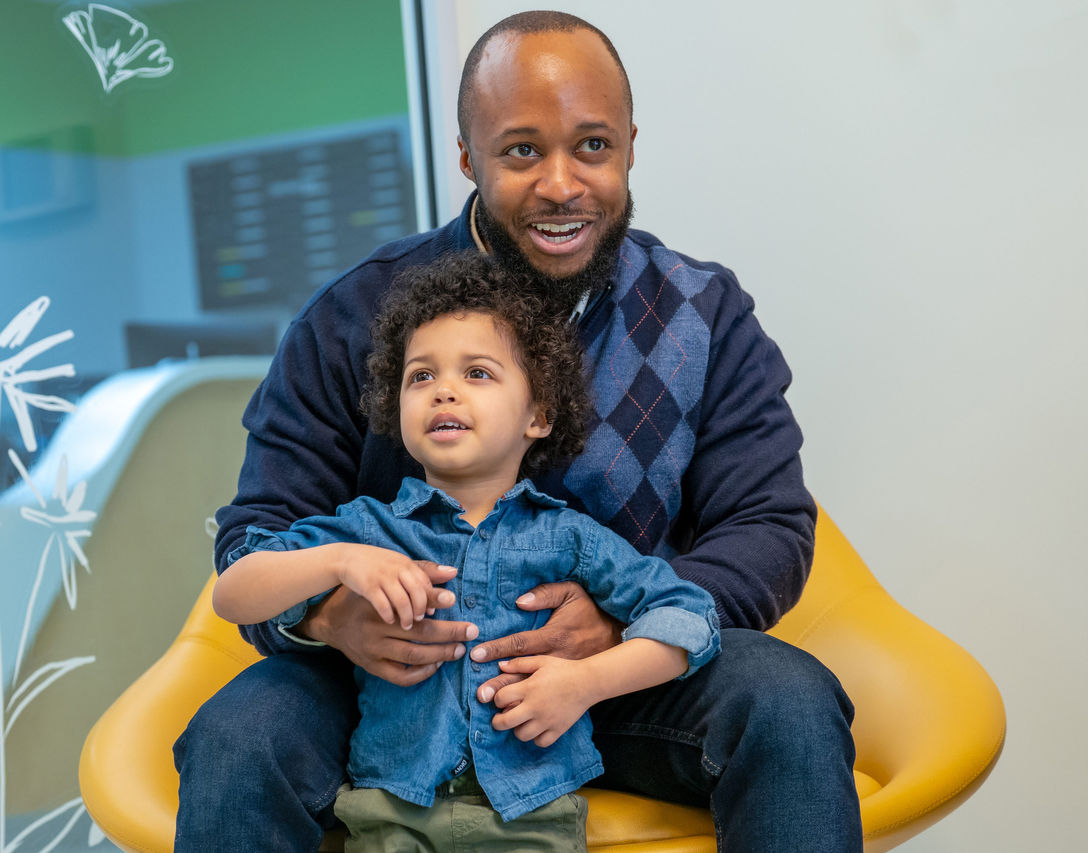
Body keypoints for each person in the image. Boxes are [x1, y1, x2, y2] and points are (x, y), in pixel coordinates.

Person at [175, 10, 862, 852]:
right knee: (236, 736)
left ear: (631, 145)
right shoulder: (351, 317)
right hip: (391, 691)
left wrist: (618, 628)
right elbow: (257, 537)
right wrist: (329, 617)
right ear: (468, 158)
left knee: (789, 700)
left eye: (593, 146)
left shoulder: (706, 315)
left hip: (624, 686)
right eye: (522, 152)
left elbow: (768, 526)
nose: (562, 185)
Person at [212, 254, 721, 851]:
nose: (443, 390)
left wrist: (587, 682)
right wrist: (338, 563)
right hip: (391, 813)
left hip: (534, 817)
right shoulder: (364, 531)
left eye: (477, 373)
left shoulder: (570, 537)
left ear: (538, 416)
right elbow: (234, 594)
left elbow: (689, 618)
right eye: (420, 377)